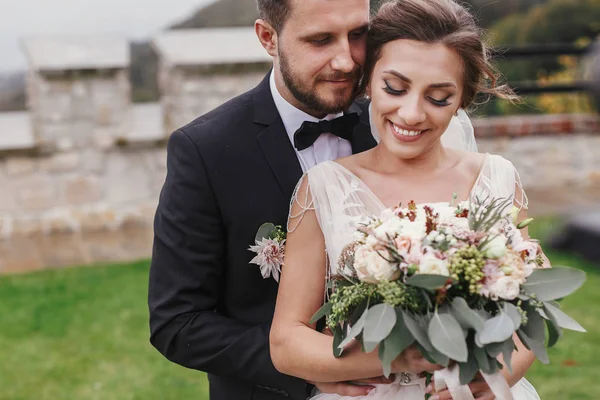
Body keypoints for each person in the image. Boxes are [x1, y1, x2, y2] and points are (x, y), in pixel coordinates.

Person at [269, 1, 541, 399]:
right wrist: (402, 359)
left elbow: (529, 315)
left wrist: (495, 376)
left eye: (439, 97)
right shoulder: (324, 187)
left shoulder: (497, 180)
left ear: (463, 98)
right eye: (394, 88)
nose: (411, 114)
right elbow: (286, 341)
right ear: (367, 81)